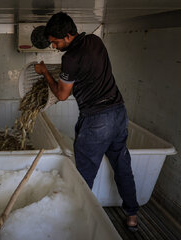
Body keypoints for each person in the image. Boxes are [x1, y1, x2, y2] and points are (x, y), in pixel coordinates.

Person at [34, 12, 139, 231]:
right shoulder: (95, 41)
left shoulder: (70, 59)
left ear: (68, 36)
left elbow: (62, 95)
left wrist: (45, 72)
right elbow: (88, 71)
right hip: (119, 112)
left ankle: (78, 223)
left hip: (97, 120)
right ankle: (132, 216)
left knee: (83, 175)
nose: (53, 47)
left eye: (55, 42)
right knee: (122, 166)